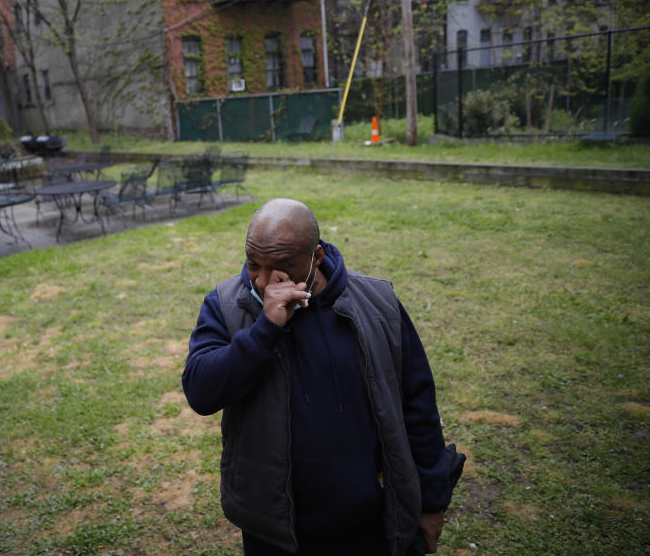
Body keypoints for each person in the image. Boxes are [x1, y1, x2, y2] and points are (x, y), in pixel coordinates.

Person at [182, 198, 450, 555]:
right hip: (276, 531)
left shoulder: (378, 303)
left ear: (316, 257)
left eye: (281, 267)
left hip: (372, 524)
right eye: (253, 265)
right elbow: (201, 392)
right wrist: (265, 330)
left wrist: (432, 502)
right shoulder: (228, 306)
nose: (262, 282)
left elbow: (418, 404)